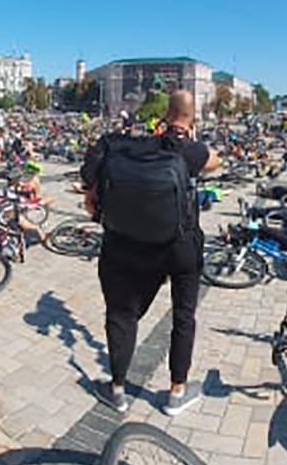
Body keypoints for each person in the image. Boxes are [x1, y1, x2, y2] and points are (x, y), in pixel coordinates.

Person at [83, 89, 219, 414]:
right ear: (190, 119)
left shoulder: (115, 146)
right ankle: (176, 393)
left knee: (122, 314)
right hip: (181, 247)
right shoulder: (188, 151)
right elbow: (215, 160)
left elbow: (89, 186)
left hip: (126, 245)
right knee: (183, 316)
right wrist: (187, 136)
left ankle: (116, 389)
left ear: (163, 116)